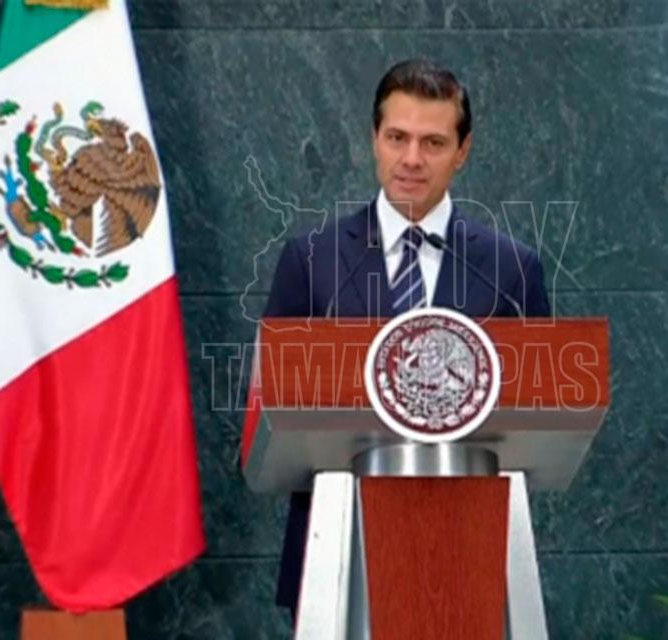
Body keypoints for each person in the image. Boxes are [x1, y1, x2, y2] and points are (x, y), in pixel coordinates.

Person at [262, 58, 551, 617]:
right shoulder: (311, 260)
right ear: (375, 139)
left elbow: (539, 415)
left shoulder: (513, 269)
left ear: (462, 151)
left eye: (433, 142)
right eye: (397, 137)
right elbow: (267, 406)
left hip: (470, 552)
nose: (412, 159)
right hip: (338, 554)